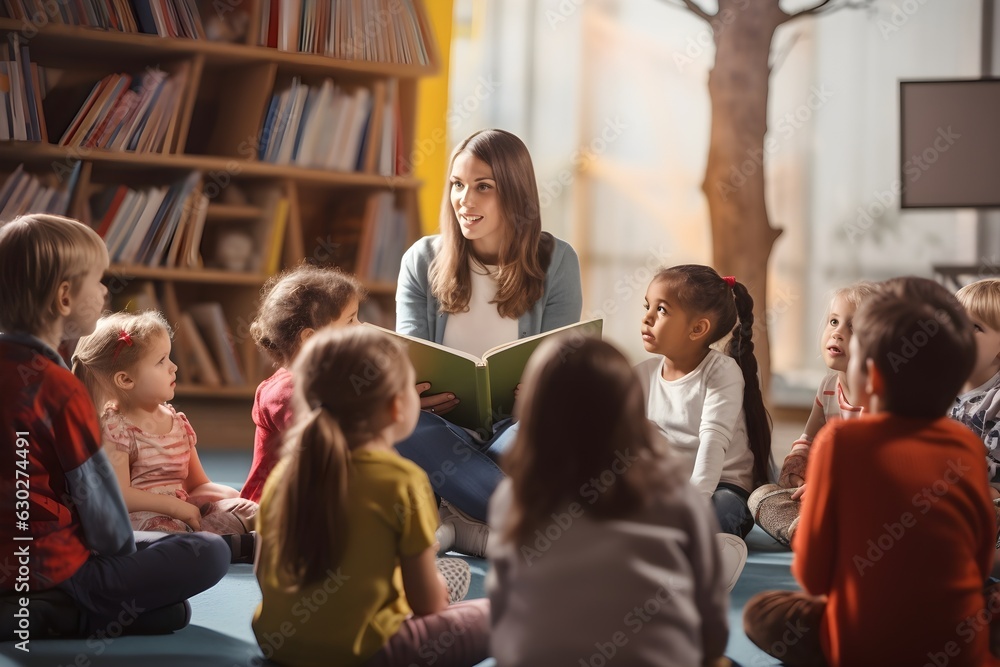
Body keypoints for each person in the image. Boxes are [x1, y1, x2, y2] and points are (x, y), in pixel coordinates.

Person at [743, 277, 998, 666]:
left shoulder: (841, 443)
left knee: (764, 614)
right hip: (959, 646)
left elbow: (814, 576)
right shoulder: (965, 446)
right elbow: (979, 561)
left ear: (873, 375)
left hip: (861, 646)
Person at [0, 214, 229, 640]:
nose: (106, 291)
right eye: (98, 280)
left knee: (168, 607)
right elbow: (100, 507)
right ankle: (61, 611)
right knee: (209, 553)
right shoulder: (59, 388)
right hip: (53, 564)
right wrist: (126, 561)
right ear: (64, 297)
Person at [253, 327, 489, 667]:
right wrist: (431, 586)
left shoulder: (284, 475)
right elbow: (427, 605)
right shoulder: (403, 481)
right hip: (368, 653)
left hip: (280, 646)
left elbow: (263, 575)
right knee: (495, 612)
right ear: (396, 407)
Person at [395, 128, 583, 556]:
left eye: (483, 187)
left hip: (518, 428)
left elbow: (563, 367)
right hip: (439, 428)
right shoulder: (421, 259)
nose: (464, 200)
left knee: (558, 427)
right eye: (457, 185)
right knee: (399, 423)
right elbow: (407, 359)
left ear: (516, 193)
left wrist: (543, 392)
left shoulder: (557, 261)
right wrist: (409, 393)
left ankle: (459, 514)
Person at [488, 335, 730, 666]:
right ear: (631, 408)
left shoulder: (512, 496)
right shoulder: (675, 491)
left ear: (533, 408)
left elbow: (502, 616)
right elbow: (712, 624)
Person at [72, 311, 258, 561]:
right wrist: (174, 507)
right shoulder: (116, 429)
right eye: (161, 361)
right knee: (167, 534)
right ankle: (227, 545)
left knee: (250, 510)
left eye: (169, 357)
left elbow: (197, 485)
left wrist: (235, 497)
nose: (174, 367)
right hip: (142, 519)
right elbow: (120, 496)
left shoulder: (177, 422)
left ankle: (223, 544)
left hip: (184, 512)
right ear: (126, 379)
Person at [635, 265, 772, 539]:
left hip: (722, 487)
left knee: (718, 513)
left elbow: (712, 443)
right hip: (672, 488)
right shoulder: (642, 374)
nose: (647, 318)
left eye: (661, 310)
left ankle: (704, 547)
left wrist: (691, 506)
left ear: (697, 328)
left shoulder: (721, 372)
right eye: (647, 306)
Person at [748, 281, 877, 546]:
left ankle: (820, 533)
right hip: (820, 494)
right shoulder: (828, 387)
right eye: (833, 322)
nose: (837, 333)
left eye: (853, 327)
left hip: (861, 493)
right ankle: (807, 533)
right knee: (759, 498)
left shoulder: (879, 398)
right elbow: (808, 439)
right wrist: (796, 470)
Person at [242, 264, 366, 502]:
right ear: (310, 338)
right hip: (276, 509)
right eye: (350, 320)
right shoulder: (285, 391)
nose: (361, 327)